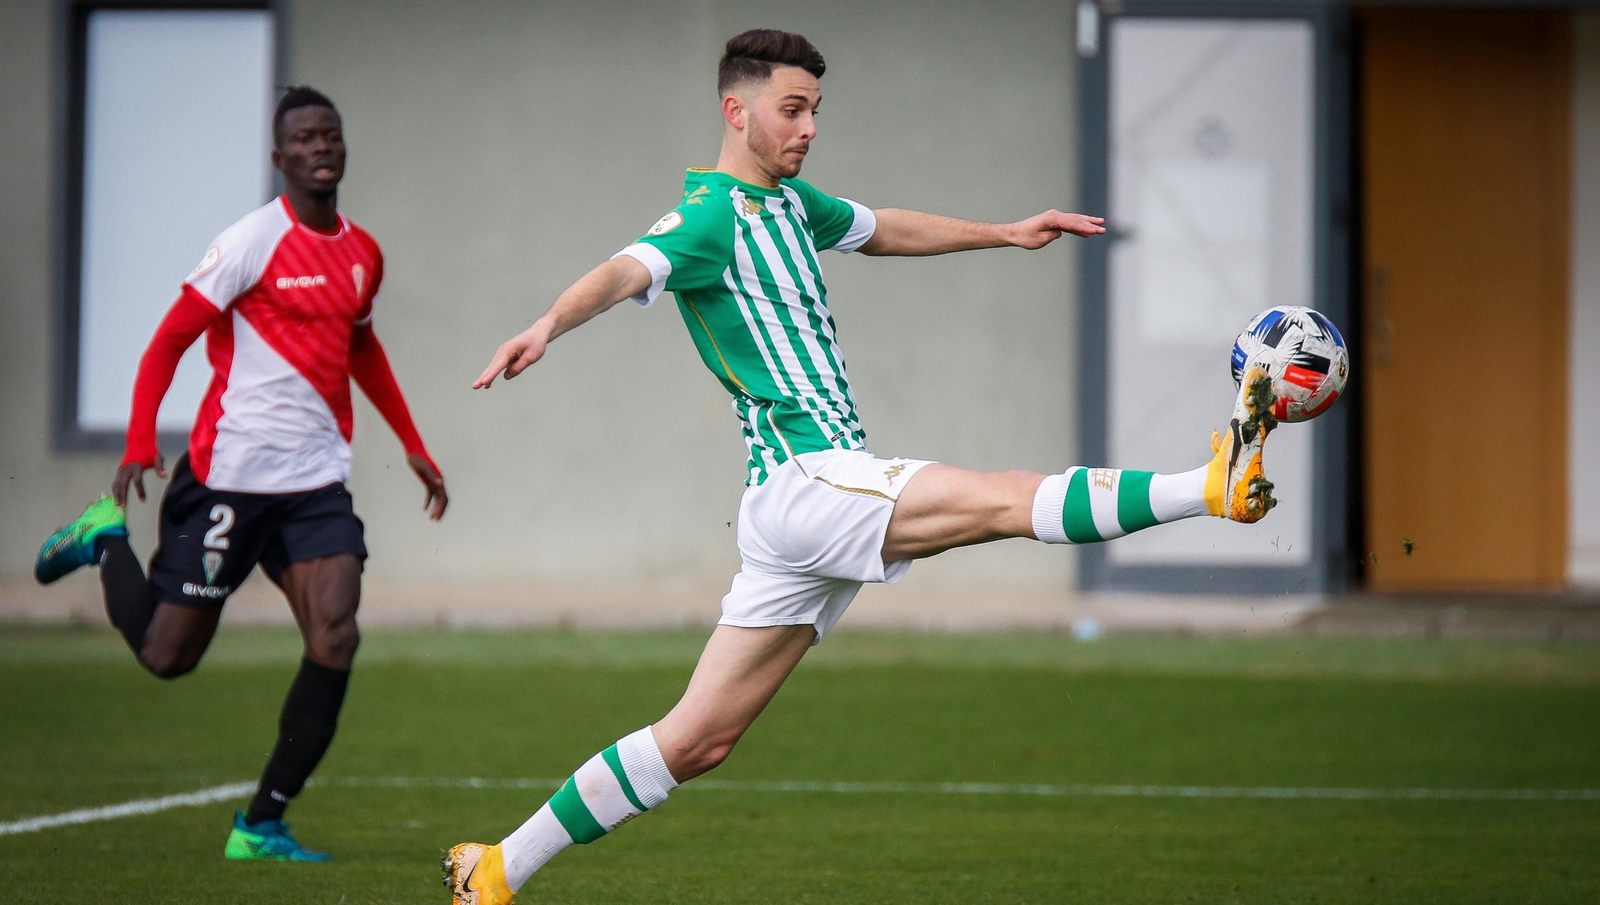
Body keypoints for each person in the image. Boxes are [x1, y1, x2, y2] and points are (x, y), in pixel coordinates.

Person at [443, 29, 1277, 904]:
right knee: (1002, 499)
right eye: (791, 110)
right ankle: (1206, 486)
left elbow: (884, 229)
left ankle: (493, 868)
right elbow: (624, 270)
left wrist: (1006, 232)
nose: (808, 128)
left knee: (695, 741)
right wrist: (547, 323)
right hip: (809, 480)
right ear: (736, 112)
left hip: (792, 507)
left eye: (814, 111)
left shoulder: (793, 206)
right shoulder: (708, 217)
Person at [34, 86, 448, 862]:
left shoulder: (363, 252)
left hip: (314, 481)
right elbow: (168, 342)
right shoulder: (249, 243)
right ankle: (103, 537)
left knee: (336, 632)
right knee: (168, 656)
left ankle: (260, 823)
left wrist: (411, 440)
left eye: (330, 134)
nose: (320, 147)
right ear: (279, 156)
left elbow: (361, 346)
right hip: (229, 477)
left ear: (343, 146)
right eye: (305, 138)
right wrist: (137, 442)